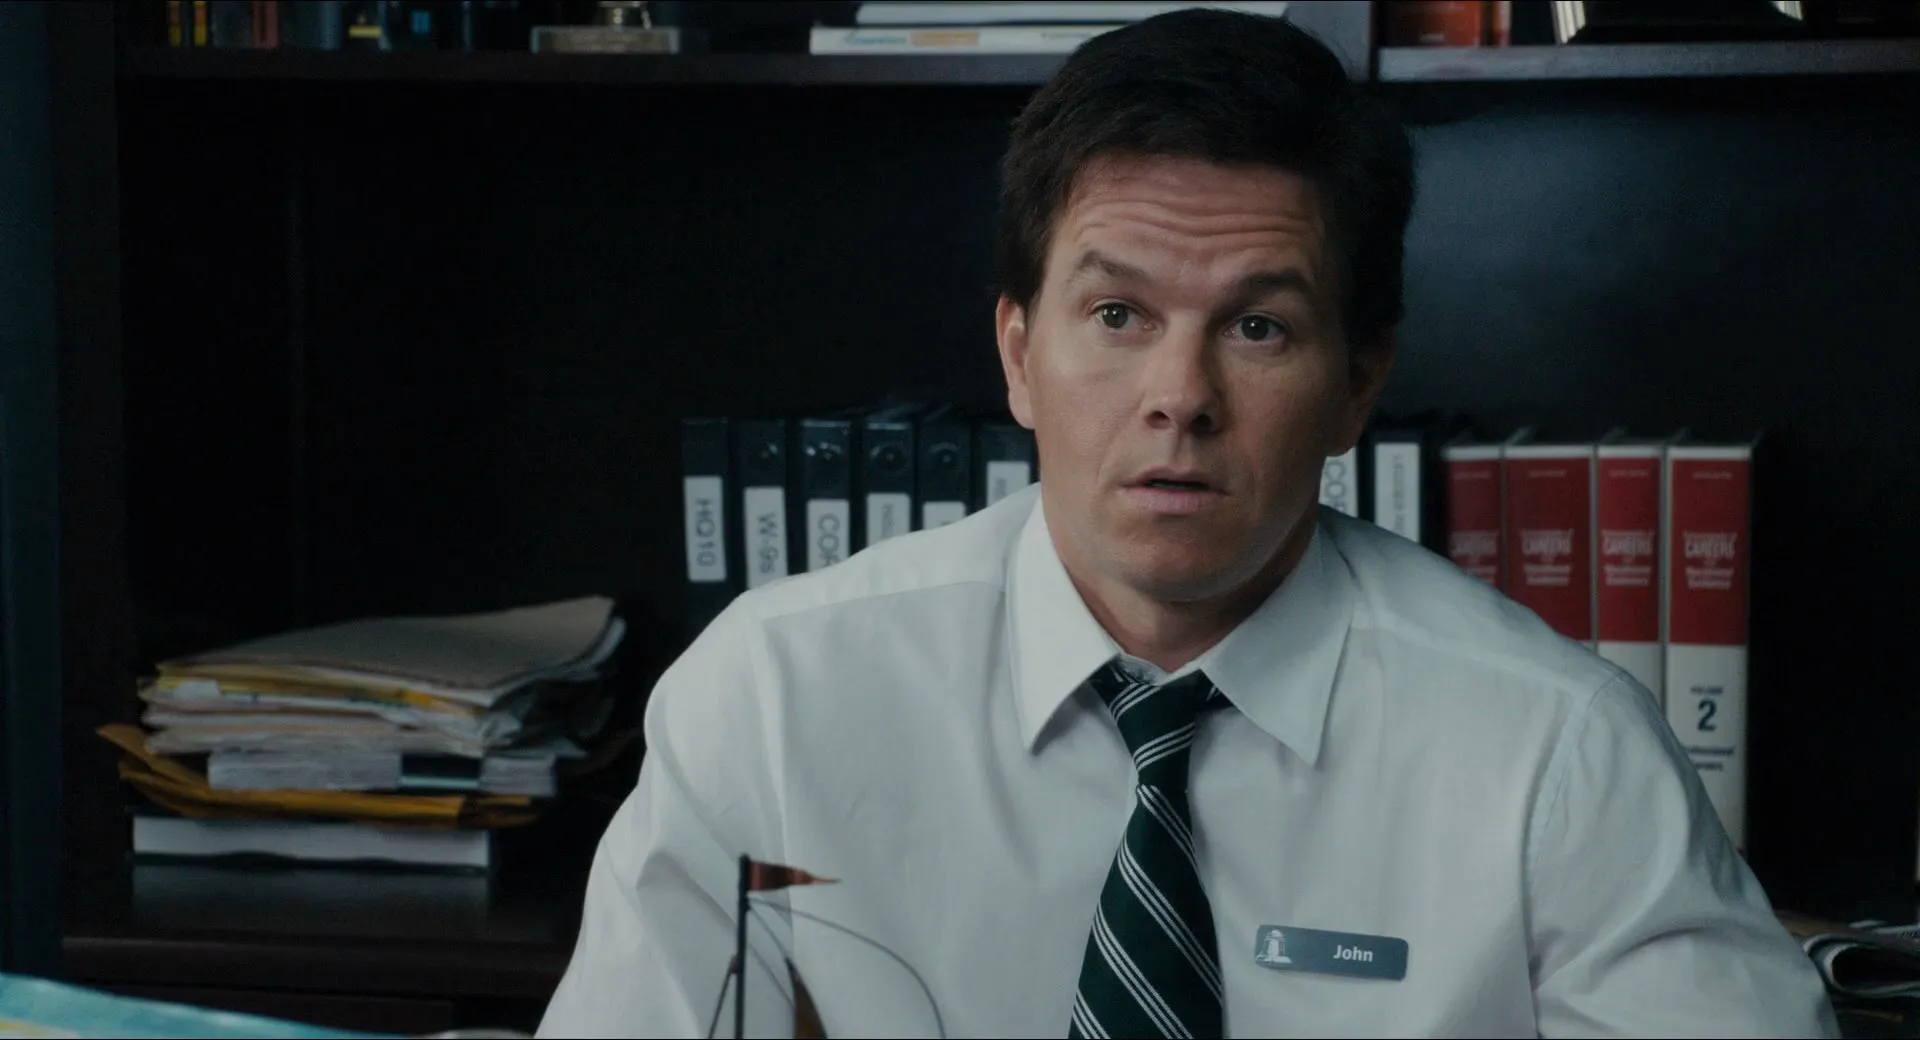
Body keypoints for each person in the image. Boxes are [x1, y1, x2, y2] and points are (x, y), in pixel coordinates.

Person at [538, 8, 1838, 1038]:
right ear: (1018, 356)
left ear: (1357, 386)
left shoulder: (1558, 756)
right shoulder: (772, 699)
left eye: (1258, 327)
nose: (1181, 397)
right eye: (1118, 316)